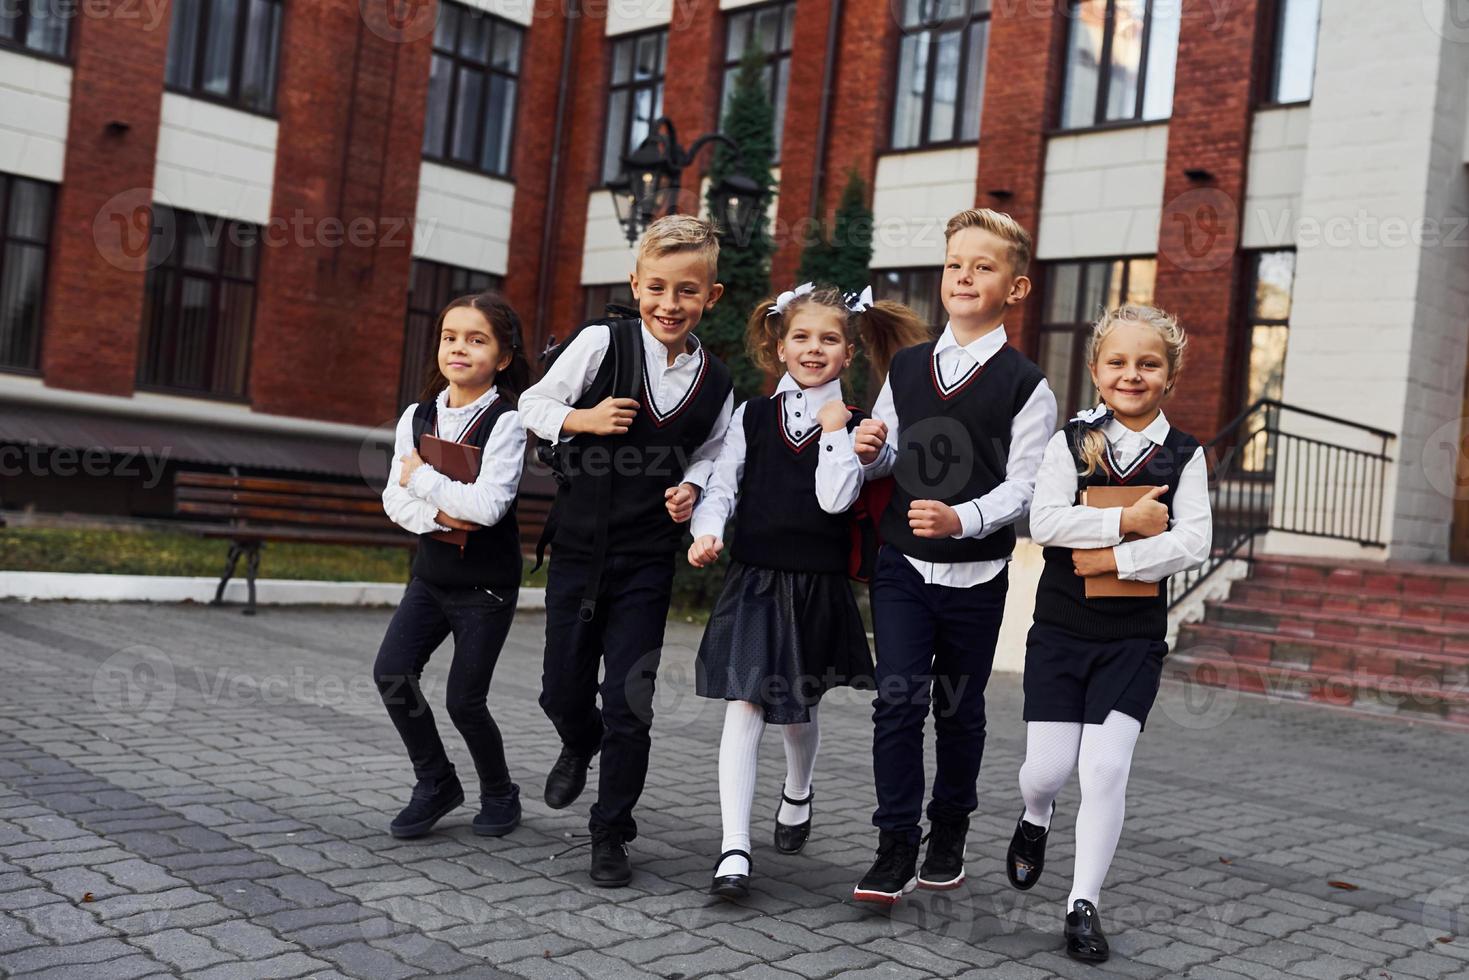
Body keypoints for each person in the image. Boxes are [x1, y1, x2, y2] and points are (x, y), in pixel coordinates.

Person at [689, 281, 928, 899]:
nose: (814, 349)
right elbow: (723, 484)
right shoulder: (751, 414)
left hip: (816, 586)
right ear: (780, 344)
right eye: (802, 337)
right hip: (753, 579)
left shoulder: (861, 427)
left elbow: (835, 499)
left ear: (849, 354)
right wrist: (707, 530)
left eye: (829, 340)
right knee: (744, 705)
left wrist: (835, 432)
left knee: (798, 710)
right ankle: (733, 850)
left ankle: (799, 787)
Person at [518, 214, 734, 887]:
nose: (671, 305)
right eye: (659, 288)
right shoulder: (600, 343)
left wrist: (692, 489)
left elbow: (715, 449)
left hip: (645, 560)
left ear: (711, 297)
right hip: (579, 552)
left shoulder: (717, 382)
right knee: (561, 691)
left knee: (630, 706)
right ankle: (576, 740)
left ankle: (611, 831)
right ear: (636, 284)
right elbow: (530, 403)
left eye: (687, 292)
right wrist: (581, 417)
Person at [851, 208, 1057, 904]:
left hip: (978, 573)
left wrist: (961, 518)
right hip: (902, 566)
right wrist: (868, 449)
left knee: (958, 709)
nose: (964, 276)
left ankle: (948, 832)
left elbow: (1024, 489)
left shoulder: (1027, 385)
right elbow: (888, 454)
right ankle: (893, 845)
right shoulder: (906, 367)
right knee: (896, 704)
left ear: (1016, 288)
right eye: (953, 264)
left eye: (983, 266)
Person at [1007, 304, 1211, 963]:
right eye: (1117, 362)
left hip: (1133, 639)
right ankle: (1034, 817)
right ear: (1095, 372)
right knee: (1045, 771)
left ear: (1168, 376)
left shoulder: (1185, 455)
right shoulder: (1071, 443)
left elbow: (1194, 541)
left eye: (1147, 363)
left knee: (1102, 769)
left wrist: (1115, 560)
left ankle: (1081, 903)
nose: (1132, 374)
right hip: (1061, 631)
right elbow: (1044, 520)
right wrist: (1125, 525)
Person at [374, 291, 532, 839]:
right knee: (392, 674)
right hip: (432, 578)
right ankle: (437, 781)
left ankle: (500, 793)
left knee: (464, 701)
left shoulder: (508, 421)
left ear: (503, 357)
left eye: (476, 339)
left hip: (485, 587)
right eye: (449, 337)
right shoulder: (417, 415)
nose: (459, 348)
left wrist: (421, 479)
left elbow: (489, 507)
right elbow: (392, 502)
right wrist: (445, 519)